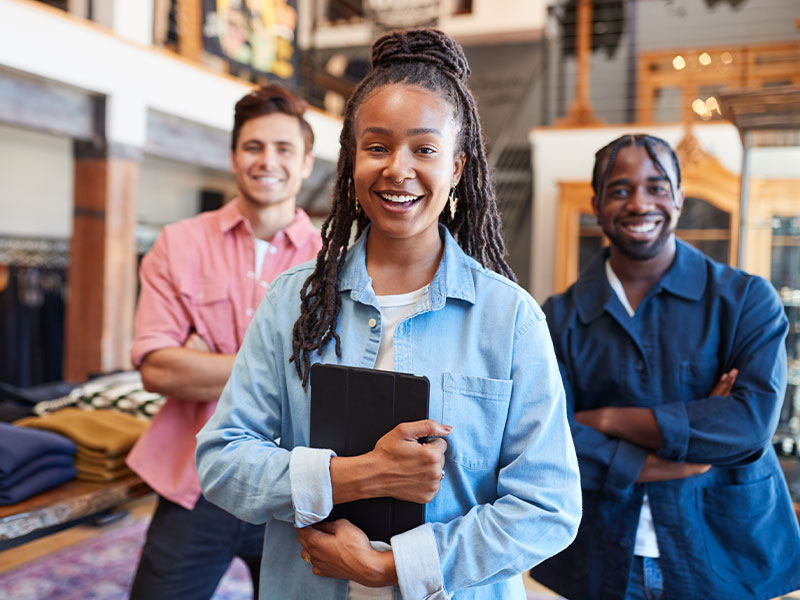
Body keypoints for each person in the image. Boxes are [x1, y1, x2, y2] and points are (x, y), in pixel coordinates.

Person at [196, 28, 581, 600]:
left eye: (424, 149)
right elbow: (222, 461)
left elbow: (548, 507)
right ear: (352, 159)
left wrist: (399, 566)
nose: (398, 168)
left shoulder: (510, 318)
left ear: (457, 167)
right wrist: (357, 475)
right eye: (377, 147)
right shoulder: (293, 302)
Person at [530, 133, 800, 600]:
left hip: (721, 552)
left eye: (657, 187)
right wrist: (680, 456)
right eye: (620, 190)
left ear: (678, 197)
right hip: (601, 555)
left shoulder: (746, 300)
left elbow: (748, 425)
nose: (639, 203)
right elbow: (549, 440)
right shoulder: (556, 317)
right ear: (596, 203)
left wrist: (609, 419)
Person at [127, 84, 322, 599]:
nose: (267, 161)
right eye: (253, 146)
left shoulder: (333, 260)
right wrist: (279, 368)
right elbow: (159, 369)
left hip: (294, 484)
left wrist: (206, 363)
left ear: (306, 162)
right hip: (197, 479)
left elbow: (332, 381)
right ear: (234, 156)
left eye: (284, 149)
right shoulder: (179, 243)